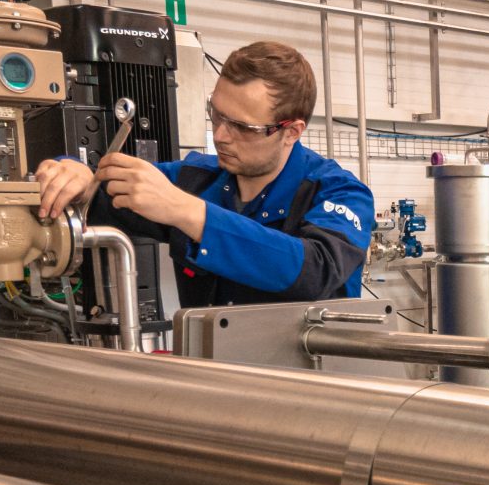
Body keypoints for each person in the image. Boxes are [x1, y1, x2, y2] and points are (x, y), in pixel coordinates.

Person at [35, 40, 372, 307]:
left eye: (242, 126)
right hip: (213, 376)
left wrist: (187, 212)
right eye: (217, 115)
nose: (221, 135)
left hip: (313, 384)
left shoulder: (339, 193)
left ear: (292, 131)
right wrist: (75, 175)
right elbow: (100, 193)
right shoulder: (196, 179)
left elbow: (313, 270)